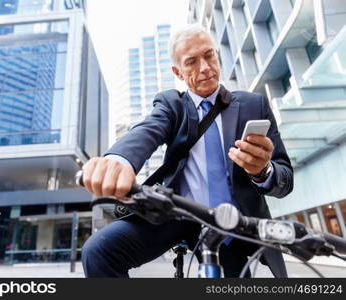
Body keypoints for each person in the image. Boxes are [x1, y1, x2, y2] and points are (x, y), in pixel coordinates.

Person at [80, 24, 293, 278]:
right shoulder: (172, 105)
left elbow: (285, 180)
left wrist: (263, 171)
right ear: (177, 72)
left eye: (209, 55)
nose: (204, 67)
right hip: (178, 216)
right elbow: (147, 130)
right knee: (99, 250)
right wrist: (118, 160)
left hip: (233, 222)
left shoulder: (253, 104)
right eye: (191, 61)